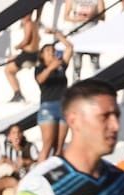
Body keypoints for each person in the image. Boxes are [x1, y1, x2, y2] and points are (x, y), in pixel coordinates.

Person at [35, 30, 73, 162]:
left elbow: (69, 48)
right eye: (47, 50)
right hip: (48, 107)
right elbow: (40, 79)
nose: (51, 52)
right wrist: (51, 67)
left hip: (63, 106)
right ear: (42, 55)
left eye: (52, 49)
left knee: (59, 147)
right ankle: (39, 175)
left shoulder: (60, 66)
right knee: (48, 145)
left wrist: (58, 35)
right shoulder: (40, 68)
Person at [62, 0, 108, 80]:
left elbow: (103, 16)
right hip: (77, 37)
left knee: (95, 66)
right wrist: (79, 19)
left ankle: (98, 87)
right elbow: (66, 16)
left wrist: (94, 15)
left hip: (92, 37)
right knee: (77, 67)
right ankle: (75, 88)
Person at [4, 11, 42, 103]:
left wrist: (18, 46)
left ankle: (18, 94)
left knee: (8, 70)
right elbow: (38, 39)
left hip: (27, 55)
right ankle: (18, 94)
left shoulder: (28, 24)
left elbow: (26, 40)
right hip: (33, 54)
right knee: (11, 61)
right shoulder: (35, 24)